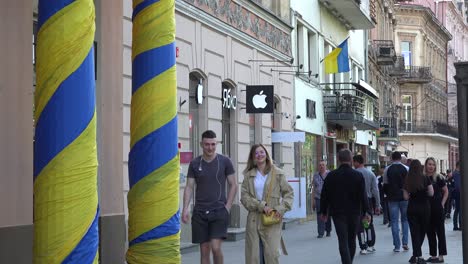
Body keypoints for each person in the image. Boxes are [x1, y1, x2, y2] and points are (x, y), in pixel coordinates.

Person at [182, 130, 238, 264]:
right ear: (201, 144)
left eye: (213, 144)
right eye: (207, 144)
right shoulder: (195, 163)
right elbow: (189, 186)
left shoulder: (225, 161)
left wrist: (228, 207)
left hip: (219, 211)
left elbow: (234, 185)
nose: (210, 148)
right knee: (204, 250)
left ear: (216, 144)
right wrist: (185, 209)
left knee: (215, 247)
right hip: (200, 213)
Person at [240, 144, 294, 264]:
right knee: (253, 257)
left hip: (272, 218)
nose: (259, 155)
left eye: (262, 152)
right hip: (254, 220)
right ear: (253, 157)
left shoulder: (278, 173)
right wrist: (261, 206)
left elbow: (289, 194)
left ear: (266, 154)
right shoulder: (248, 175)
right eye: (256, 153)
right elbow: (244, 197)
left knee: (271, 255)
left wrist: (279, 209)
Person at [320, 149, 369, 264]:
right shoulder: (358, 175)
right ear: (351, 159)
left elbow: (324, 195)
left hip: (338, 214)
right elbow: (363, 195)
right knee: (351, 240)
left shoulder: (331, 175)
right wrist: (367, 212)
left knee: (342, 241)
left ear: (339, 160)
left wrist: (323, 212)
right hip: (354, 213)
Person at [404, 160, 434, 264]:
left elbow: (406, 197)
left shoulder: (407, 179)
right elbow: (431, 193)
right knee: (421, 232)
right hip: (425, 208)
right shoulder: (425, 178)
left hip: (412, 208)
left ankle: (416, 256)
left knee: (414, 233)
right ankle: (418, 256)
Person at [353, 155, 381, 255]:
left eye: (354, 162)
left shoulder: (354, 173)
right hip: (368, 201)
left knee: (359, 226)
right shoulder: (371, 173)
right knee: (368, 224)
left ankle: (363, 246)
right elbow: (375, 190)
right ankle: (370, 245)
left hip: (357, 202)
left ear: (357, 162)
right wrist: (378, 205)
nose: (353, 164)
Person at [383, 151, 410, 252]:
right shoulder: (406, 169)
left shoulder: (387, 169)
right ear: (400, 158)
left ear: (391, 158)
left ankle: (397, 246)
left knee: (394, 221)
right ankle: (405, 243)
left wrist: (387, 194)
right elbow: (409, 183)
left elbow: (385, 184)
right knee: (405, 220)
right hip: (404, 197)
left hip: (392, 198)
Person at [425, 157, 448, 263]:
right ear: (426, 165)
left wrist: (442, 204)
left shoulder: (439, 178)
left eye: (433, 164)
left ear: (435, 166)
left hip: (437, 209)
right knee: (430, 233)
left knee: (440, 233)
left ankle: (441, 256)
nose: (431, 166)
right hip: (426, 209)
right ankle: (433, 255)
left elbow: (446, 192)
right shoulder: (423, 177)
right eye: (429, 164)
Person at [312, 160, 332, 238]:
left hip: (327, 198)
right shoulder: (315, 175)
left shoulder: (329, 174)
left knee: (327, 214)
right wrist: (313, 200)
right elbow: (313, 188)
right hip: (318, 198)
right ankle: (320, 232)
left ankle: (328, 230)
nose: (321, 166)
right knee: (319, 215)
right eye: (320, 165)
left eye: (323, 165)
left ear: (325, 166)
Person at [452, 161, 462, 231]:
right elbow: (458, 185)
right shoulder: (457, 174)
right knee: (460, 210)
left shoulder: (454, 173)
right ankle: (460, 226)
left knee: (457, 210)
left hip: (456, 194)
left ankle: (455, 226)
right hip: (459, 194)